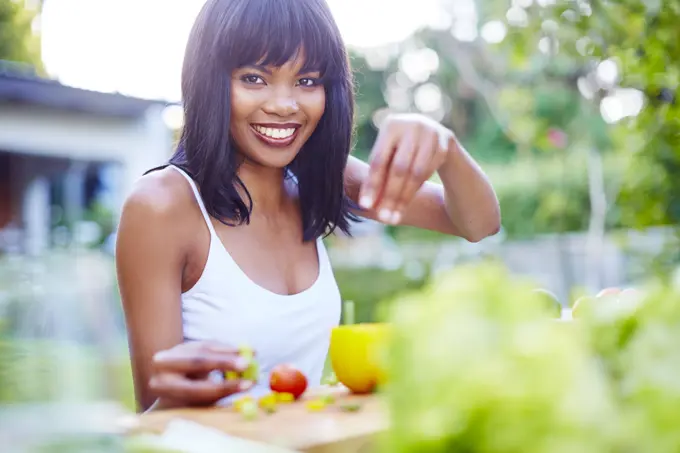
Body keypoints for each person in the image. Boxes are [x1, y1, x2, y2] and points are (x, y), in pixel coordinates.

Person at [115, 0, 501, 413]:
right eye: (254, 78)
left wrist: (445, 148)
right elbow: (153, 414)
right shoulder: (159, 206)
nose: (284, 105)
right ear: (210, 81)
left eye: (306, 80)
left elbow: (478, 223)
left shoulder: (323, 178)